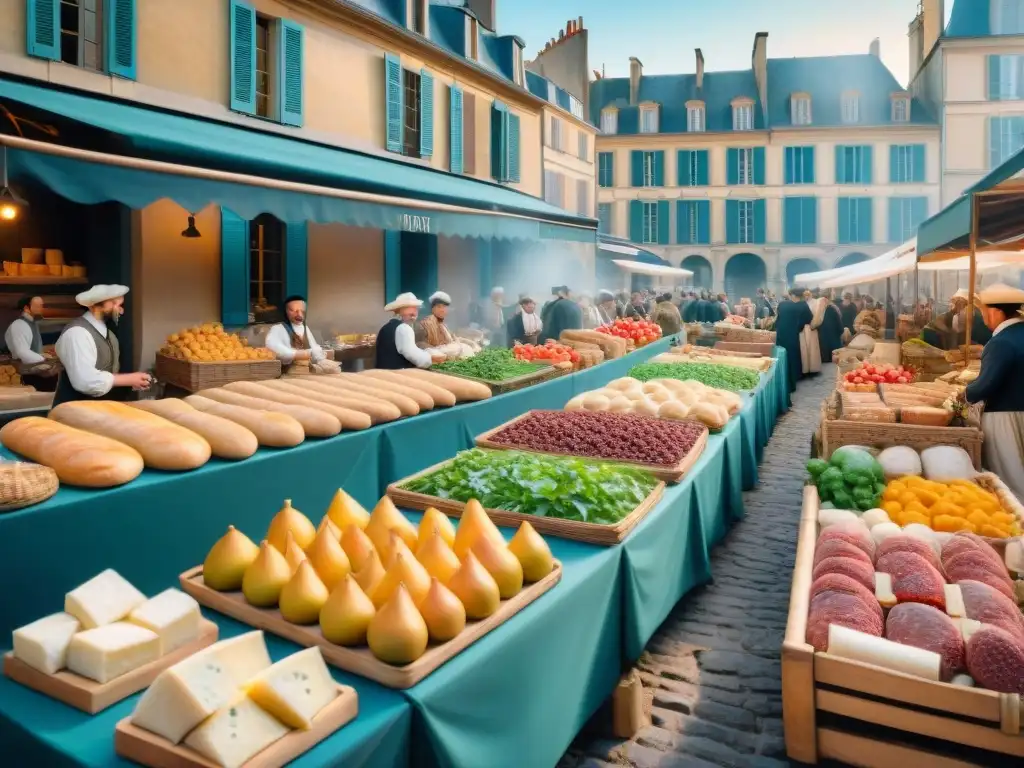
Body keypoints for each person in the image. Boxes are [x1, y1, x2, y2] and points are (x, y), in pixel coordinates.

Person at [963, 284, 1024, 498]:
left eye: (982, 312)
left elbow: (986, 384)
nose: (983, 318)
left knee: (1010, 476)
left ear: (994, 312)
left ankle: (1018, 519)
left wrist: (964, 394)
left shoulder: (1001, 342)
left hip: (1005, 414)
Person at [52, 284, 151, 407]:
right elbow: (84, 381)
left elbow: (108, 371)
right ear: (96, 305)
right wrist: (129, 379)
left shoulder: (109, 334)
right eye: (115, 304)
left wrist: (130, 382)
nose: (121, 310)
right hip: (73, 410)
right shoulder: (77, 333)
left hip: (98, 409)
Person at [375, 293, 444, 369]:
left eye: (415, 309)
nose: (414, 315)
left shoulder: (385, 327)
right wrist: (430, 359)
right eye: (410, 313)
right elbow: (411, 353)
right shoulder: (403, 328)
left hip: (382, 374)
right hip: (397, 374)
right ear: (398, 311)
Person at [4, 294, 59, 392]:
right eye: (38, 306)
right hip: (28, 374)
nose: (41, 309)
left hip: (35, 370)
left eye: (42, 306)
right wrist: (44, 358)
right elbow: (22, 352)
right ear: (26, 308)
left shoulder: (32, 324)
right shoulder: (19, 325)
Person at [264, 295, 326, 375]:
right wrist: (296, 354)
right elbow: (272, 346)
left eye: (302, 311)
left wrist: (319, 354)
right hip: (287, 372)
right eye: (293, 310)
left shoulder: (305, 328)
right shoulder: (277, 328)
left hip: (306, 371)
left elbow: (313, 347)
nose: (299, 314)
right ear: (285, 312)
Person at [774, 288, 813, 393]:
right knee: (793, 356)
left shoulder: (782, 304)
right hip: (793, 334)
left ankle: (781, 379)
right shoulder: (803, 305)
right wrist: (799, 326)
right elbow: (809, 318)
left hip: (781, 333)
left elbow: (778, 319)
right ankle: (793, 381)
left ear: (792, 295)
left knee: (782, 355)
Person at [818, 294, 844, 363]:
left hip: (823, 348)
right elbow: (840, 326)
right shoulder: (833, 310)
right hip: (835, 345)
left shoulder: (818, 312)